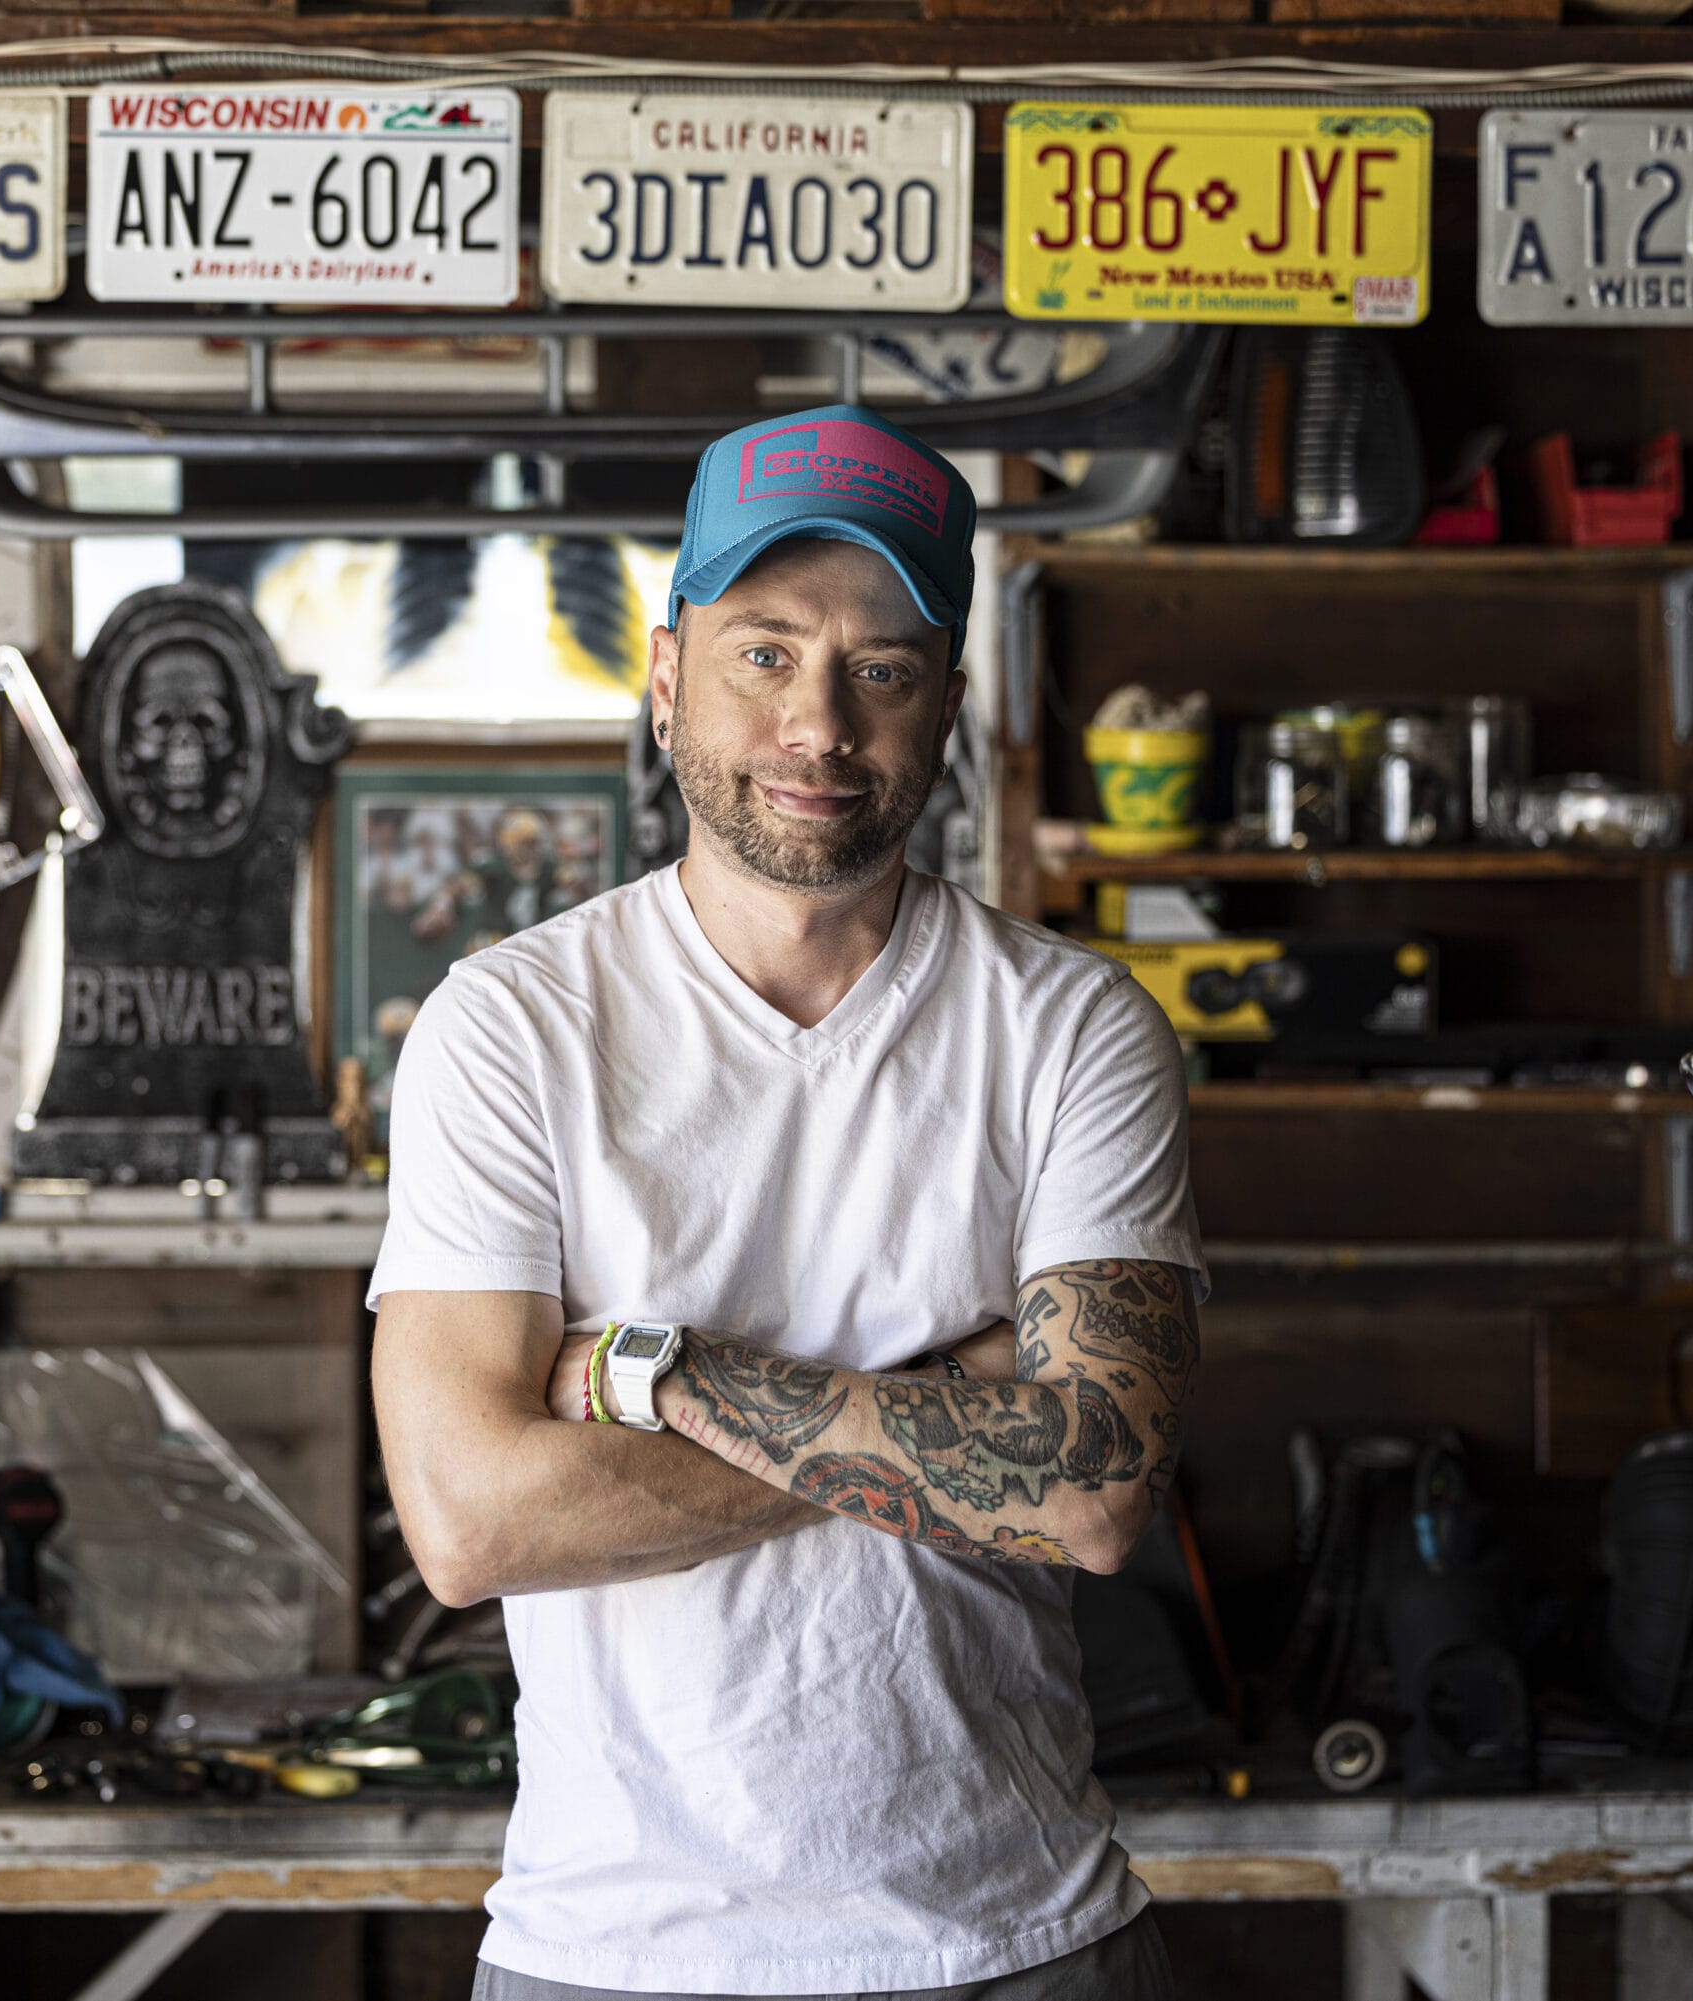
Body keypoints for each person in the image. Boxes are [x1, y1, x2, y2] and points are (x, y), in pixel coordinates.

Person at [368, 404, 1205, 2001]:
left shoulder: (1074, 1030)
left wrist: (659, 1376)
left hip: (1014, 1943)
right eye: (764, 653)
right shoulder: (512, 1023)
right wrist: (954, 1415)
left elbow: (1093, 1491)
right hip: (609, 1957)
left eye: (879, 668)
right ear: (669, 671)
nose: (818, 725)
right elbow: (472, 1522)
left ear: (945, 706)